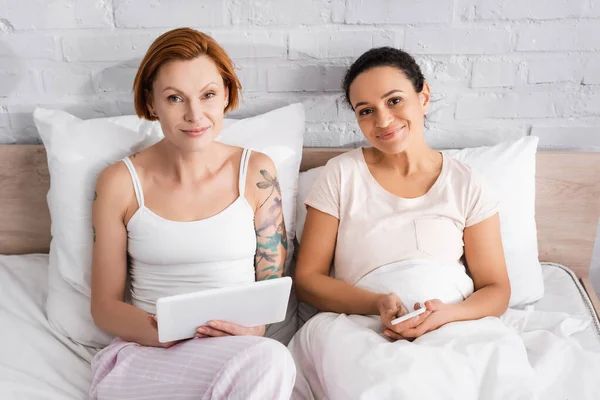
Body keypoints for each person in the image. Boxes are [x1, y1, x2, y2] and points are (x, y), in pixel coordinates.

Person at [288, 47, 535, 399]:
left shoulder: (467, 183)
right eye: (366, 111)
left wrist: (446, 316)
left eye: (394, 101)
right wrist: (377, 304)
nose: (383, 121)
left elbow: (496, 289)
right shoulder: (341, 175)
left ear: (424, 97)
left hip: (452, 323)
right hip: (365, 326)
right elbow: (309, 280)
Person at [89, 28, 295, 399]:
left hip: (237, 353)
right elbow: (104, 307)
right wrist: (165, 332)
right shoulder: (120, 182)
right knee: (268, 362)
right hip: (147, 356)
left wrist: (254, 330)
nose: (194, 114)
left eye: (208, 95)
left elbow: (270, 285)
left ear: (226, 95)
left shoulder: (256, 172)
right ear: (152, 103)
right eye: (174, 98)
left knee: (271, 359)